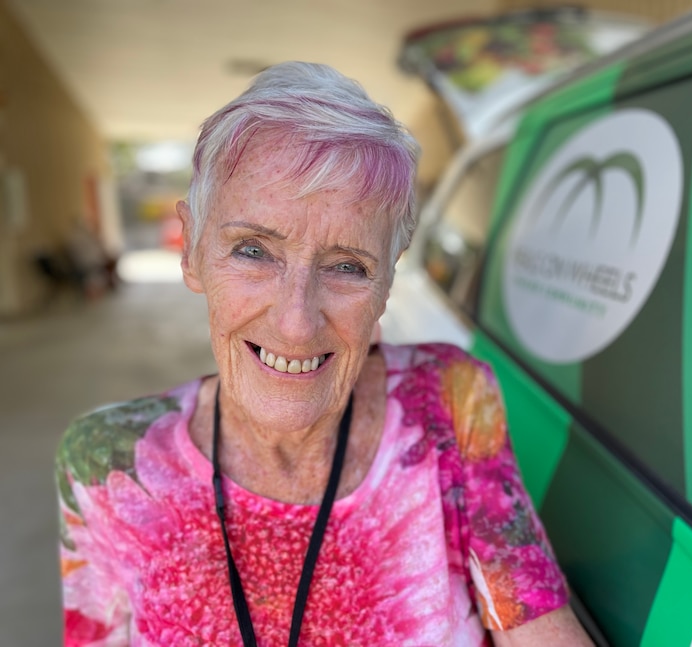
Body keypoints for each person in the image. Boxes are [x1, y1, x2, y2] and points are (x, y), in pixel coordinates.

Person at [56, 61, 594, 646]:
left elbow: (538, 627)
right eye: (253, 250)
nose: (295, 322)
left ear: (388, 282)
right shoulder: (106, 464)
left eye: (347, 267)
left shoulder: (448, 399)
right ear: (192, 250)